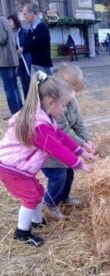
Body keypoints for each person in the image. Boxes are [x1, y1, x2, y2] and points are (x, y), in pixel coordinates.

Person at [0, 71, 94, 247]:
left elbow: (62, 137)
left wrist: (81, 151)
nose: (65, 109)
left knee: (37, 192)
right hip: (11, 168)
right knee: (31, 197)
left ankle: (37, 221)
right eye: (63, 105)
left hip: (19, 168)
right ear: (51, 102)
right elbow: (58, 149)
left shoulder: (45, 117)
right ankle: (22, 232)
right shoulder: (39, 126)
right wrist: (80, 165)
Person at [42, 64, 96, 219]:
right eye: (75, 91)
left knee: (69, 174)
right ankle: (50, 203)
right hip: (50, 155)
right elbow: (64, 131)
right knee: (58, 177)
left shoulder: (70, 102)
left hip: (65, 150)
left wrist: (88, 139)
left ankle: (64, 197)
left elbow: (79, 124)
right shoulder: (54, 107)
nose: (77, 95)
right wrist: (82, 146)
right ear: (62, 89)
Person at [18, 2, 53, 75]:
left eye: (25, 14)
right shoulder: (31, 29)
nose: (24, 16)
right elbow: (28, 43)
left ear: (32, 13)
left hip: (43, 66)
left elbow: (37, 44)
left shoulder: (41, 27)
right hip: (35, 64)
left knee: (46, 86)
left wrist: (23, 49)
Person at [0, 15, 22, 118]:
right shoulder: (3, 20)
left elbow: (2, 39)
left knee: (10, 88)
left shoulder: (0, 20)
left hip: (5, 60)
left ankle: (15, 114)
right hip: (10, 59)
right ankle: (19, 111)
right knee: (14, 86)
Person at [8, 14, 32, 99]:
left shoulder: (23, 32)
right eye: (8, 21)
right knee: (23, 83)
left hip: (26, 59)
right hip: (17, 61)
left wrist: (23, 48)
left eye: (11, 21)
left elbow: (29, 44)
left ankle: (32, 101)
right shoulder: (9, 34)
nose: (9, 23)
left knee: (28, 80)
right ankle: (27, 102)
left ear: (15, 21)